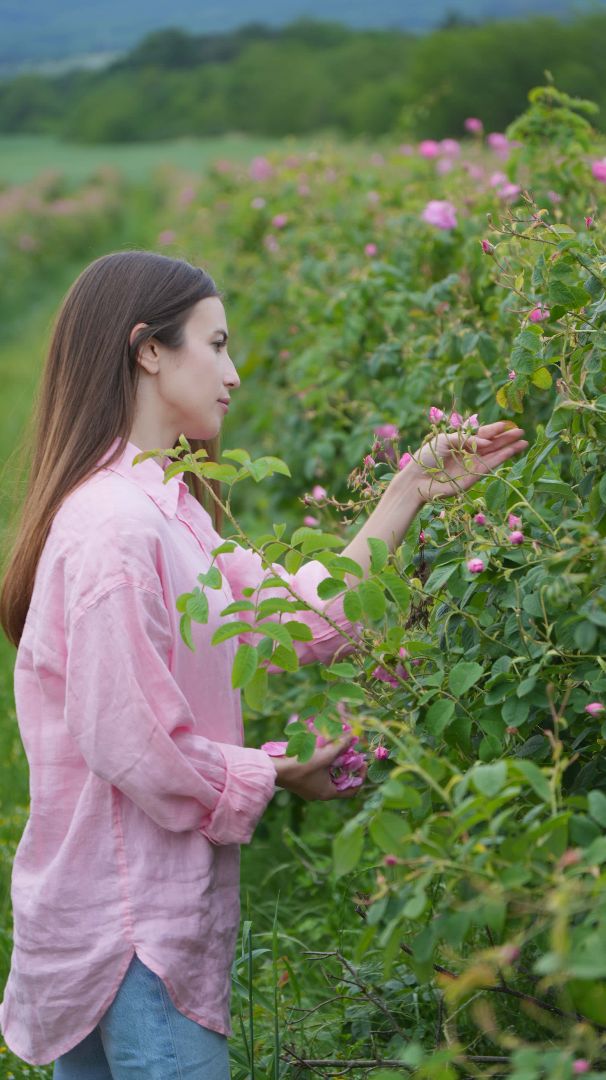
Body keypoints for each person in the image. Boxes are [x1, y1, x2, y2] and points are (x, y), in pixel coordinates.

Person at [0, 251, 528, 1078]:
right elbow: (135, 743)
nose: (235, 374)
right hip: (132, 928)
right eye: (216, 345)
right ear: (149, 350)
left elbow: (291, 617)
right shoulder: (116, 529)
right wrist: (276, 772)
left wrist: (411, 490)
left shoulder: (166, 509)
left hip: (127, 919)